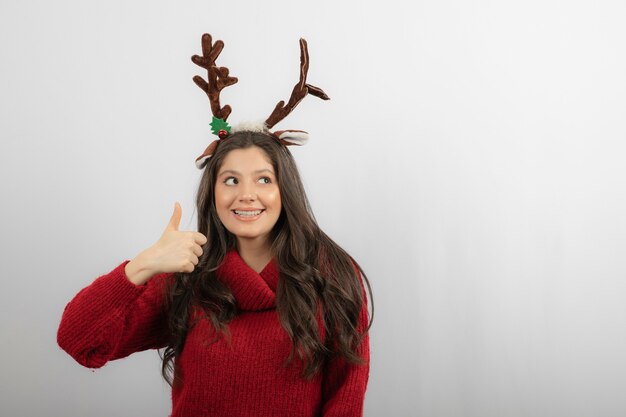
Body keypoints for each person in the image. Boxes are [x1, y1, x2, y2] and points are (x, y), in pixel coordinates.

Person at [57, 34, 372, 417]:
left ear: (284, 190)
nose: (247, 195)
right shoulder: (187, 276)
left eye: (263, 180)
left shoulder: (333, 274)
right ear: (213, 192)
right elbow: (79, 341)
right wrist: (144, 264)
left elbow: (345, 398)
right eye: (231, 180)